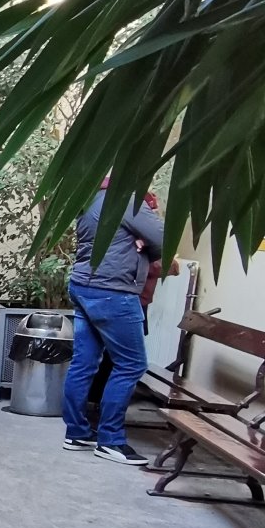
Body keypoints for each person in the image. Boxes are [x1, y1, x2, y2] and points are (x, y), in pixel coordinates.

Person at [61, 182, 168, 464]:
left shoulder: (89, 196)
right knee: (131, 364)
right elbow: (162, 239)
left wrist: (142, 244)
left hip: (84, 286)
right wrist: (144, 247)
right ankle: (110, 440)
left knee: (83, 363)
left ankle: (77, 432)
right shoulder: (127, 198)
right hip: (114, 291)